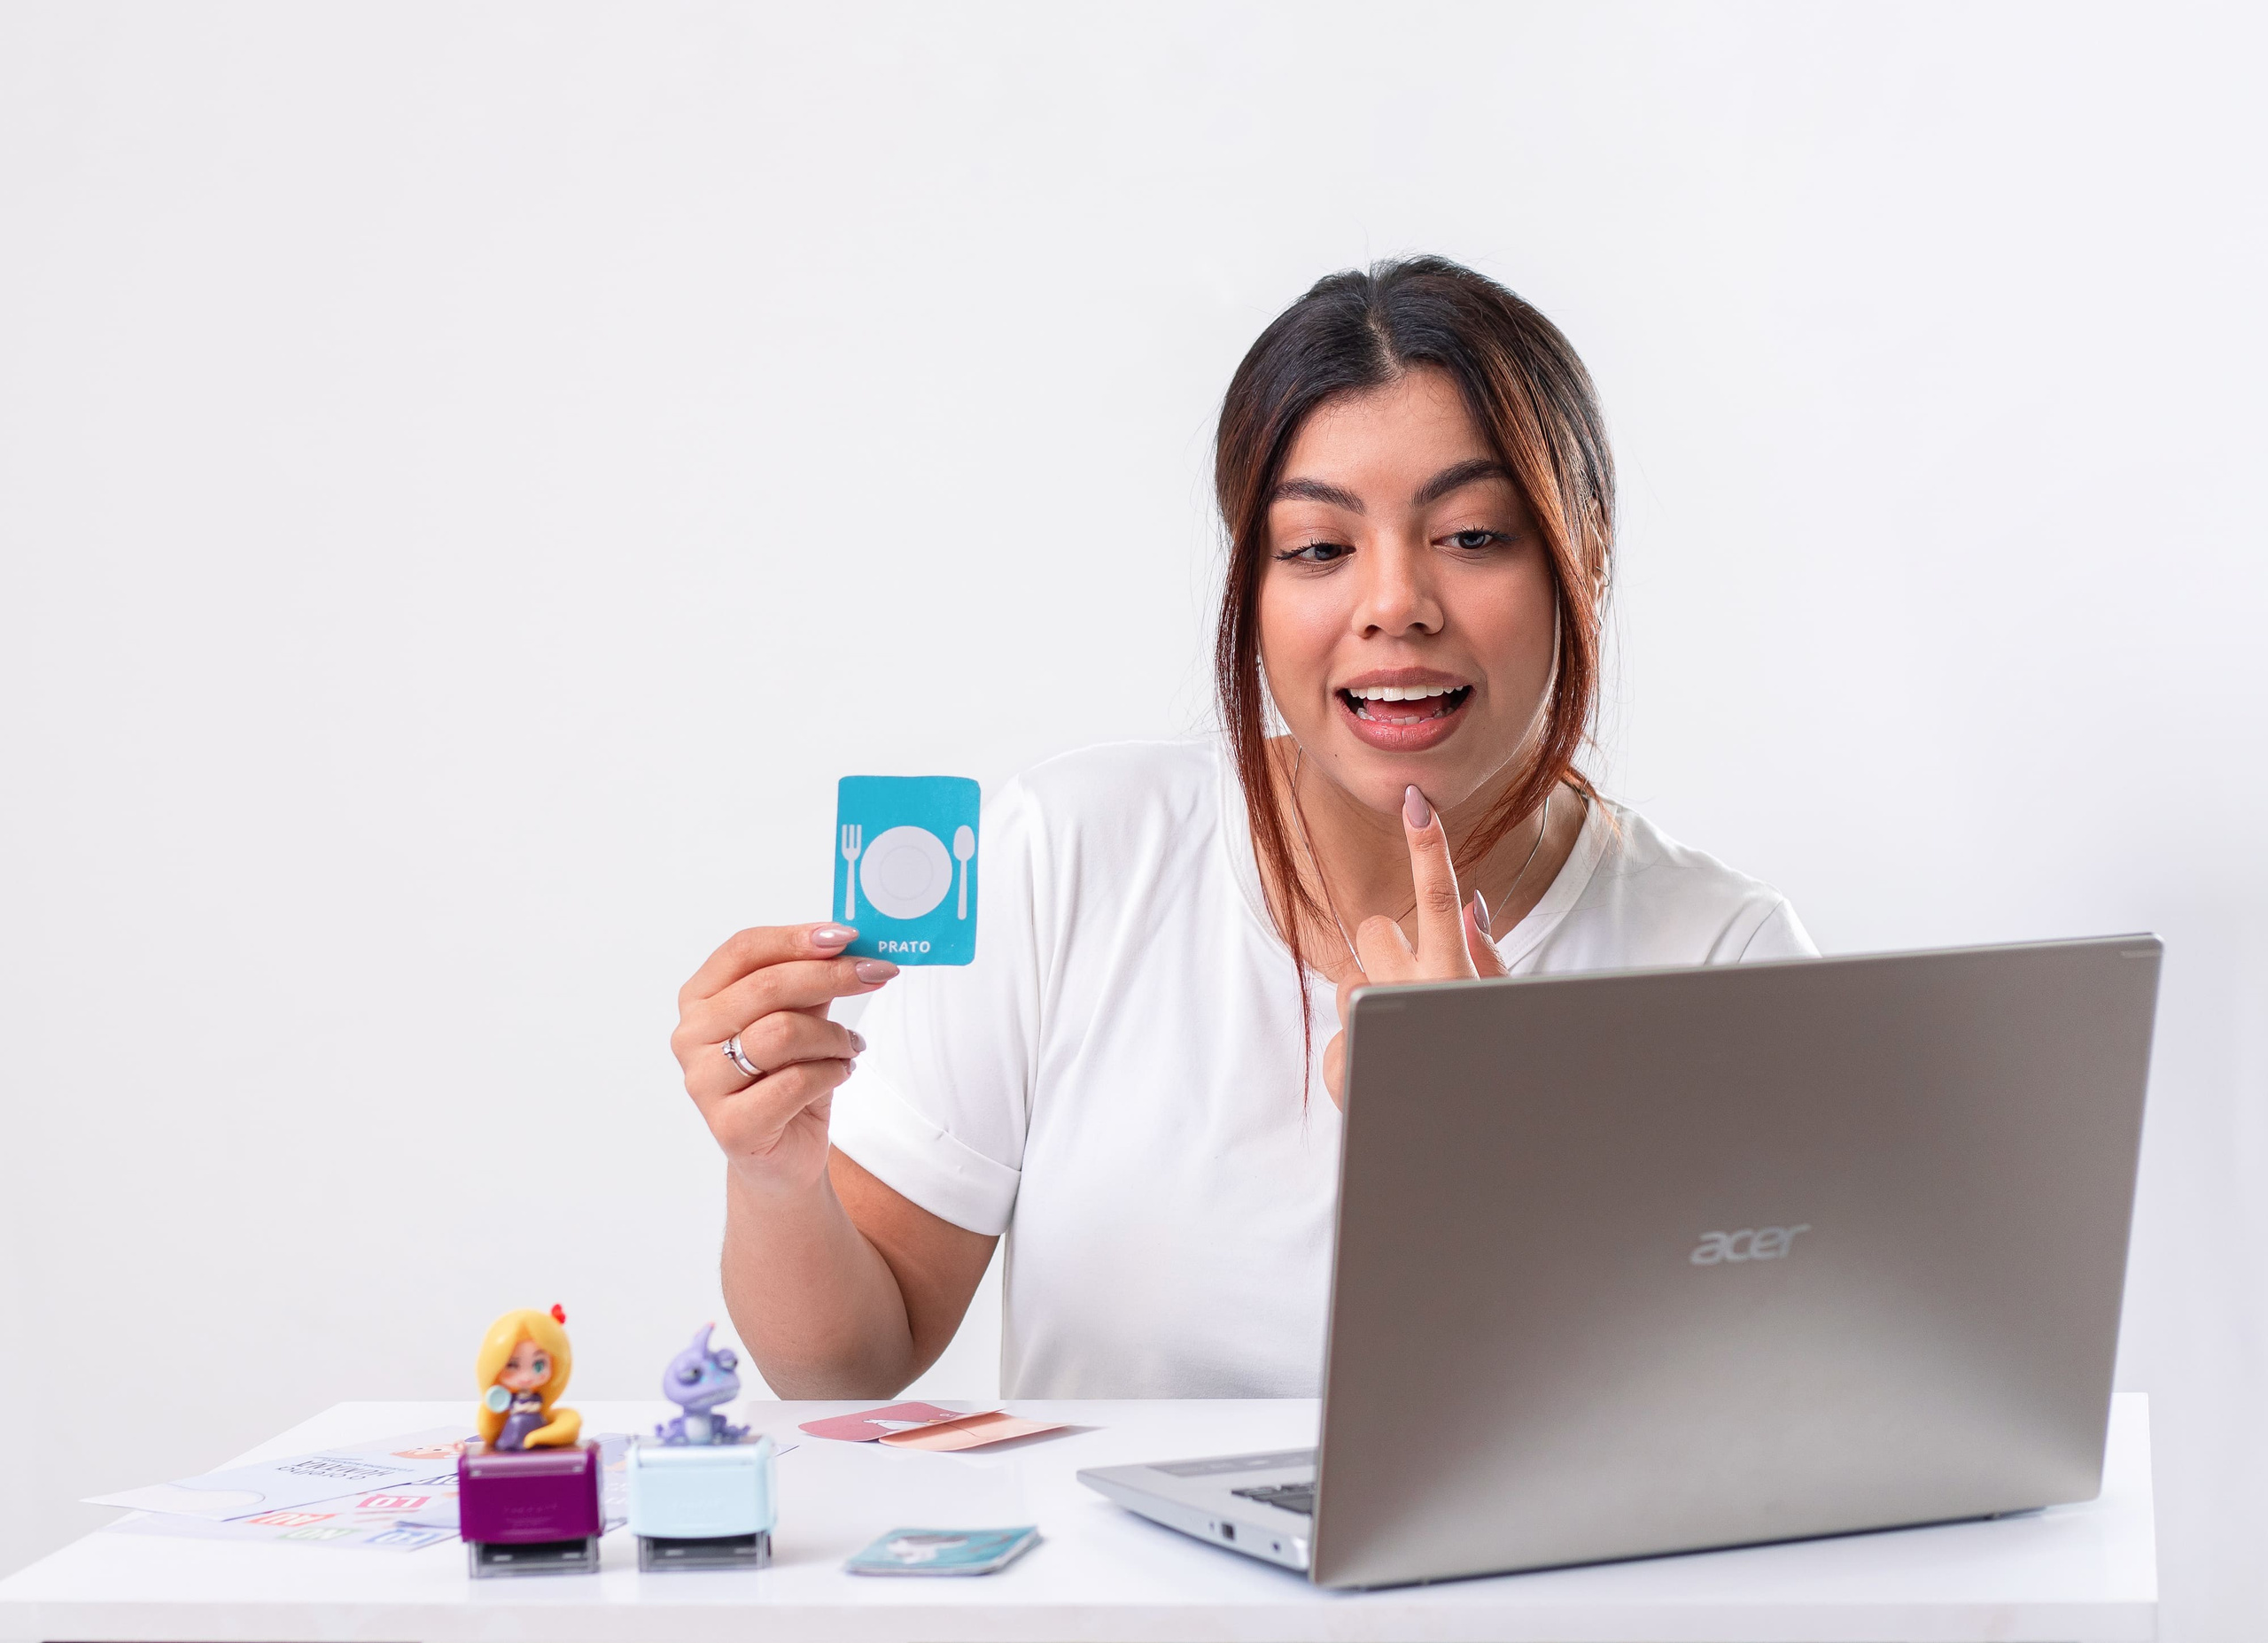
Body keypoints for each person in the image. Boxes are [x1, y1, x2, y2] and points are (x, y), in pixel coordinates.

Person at [670, 257, 1815, 1400]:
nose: (1393, 604)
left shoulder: (1724, 961)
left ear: (1585, 553)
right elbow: (852, 1366)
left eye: (1471, 535)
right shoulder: (1069, 855)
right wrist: (774, 1176)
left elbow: (1756, 1431)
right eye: (1318, 548)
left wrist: (1489, 1147)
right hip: (1118, 1582)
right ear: (1251, 586)